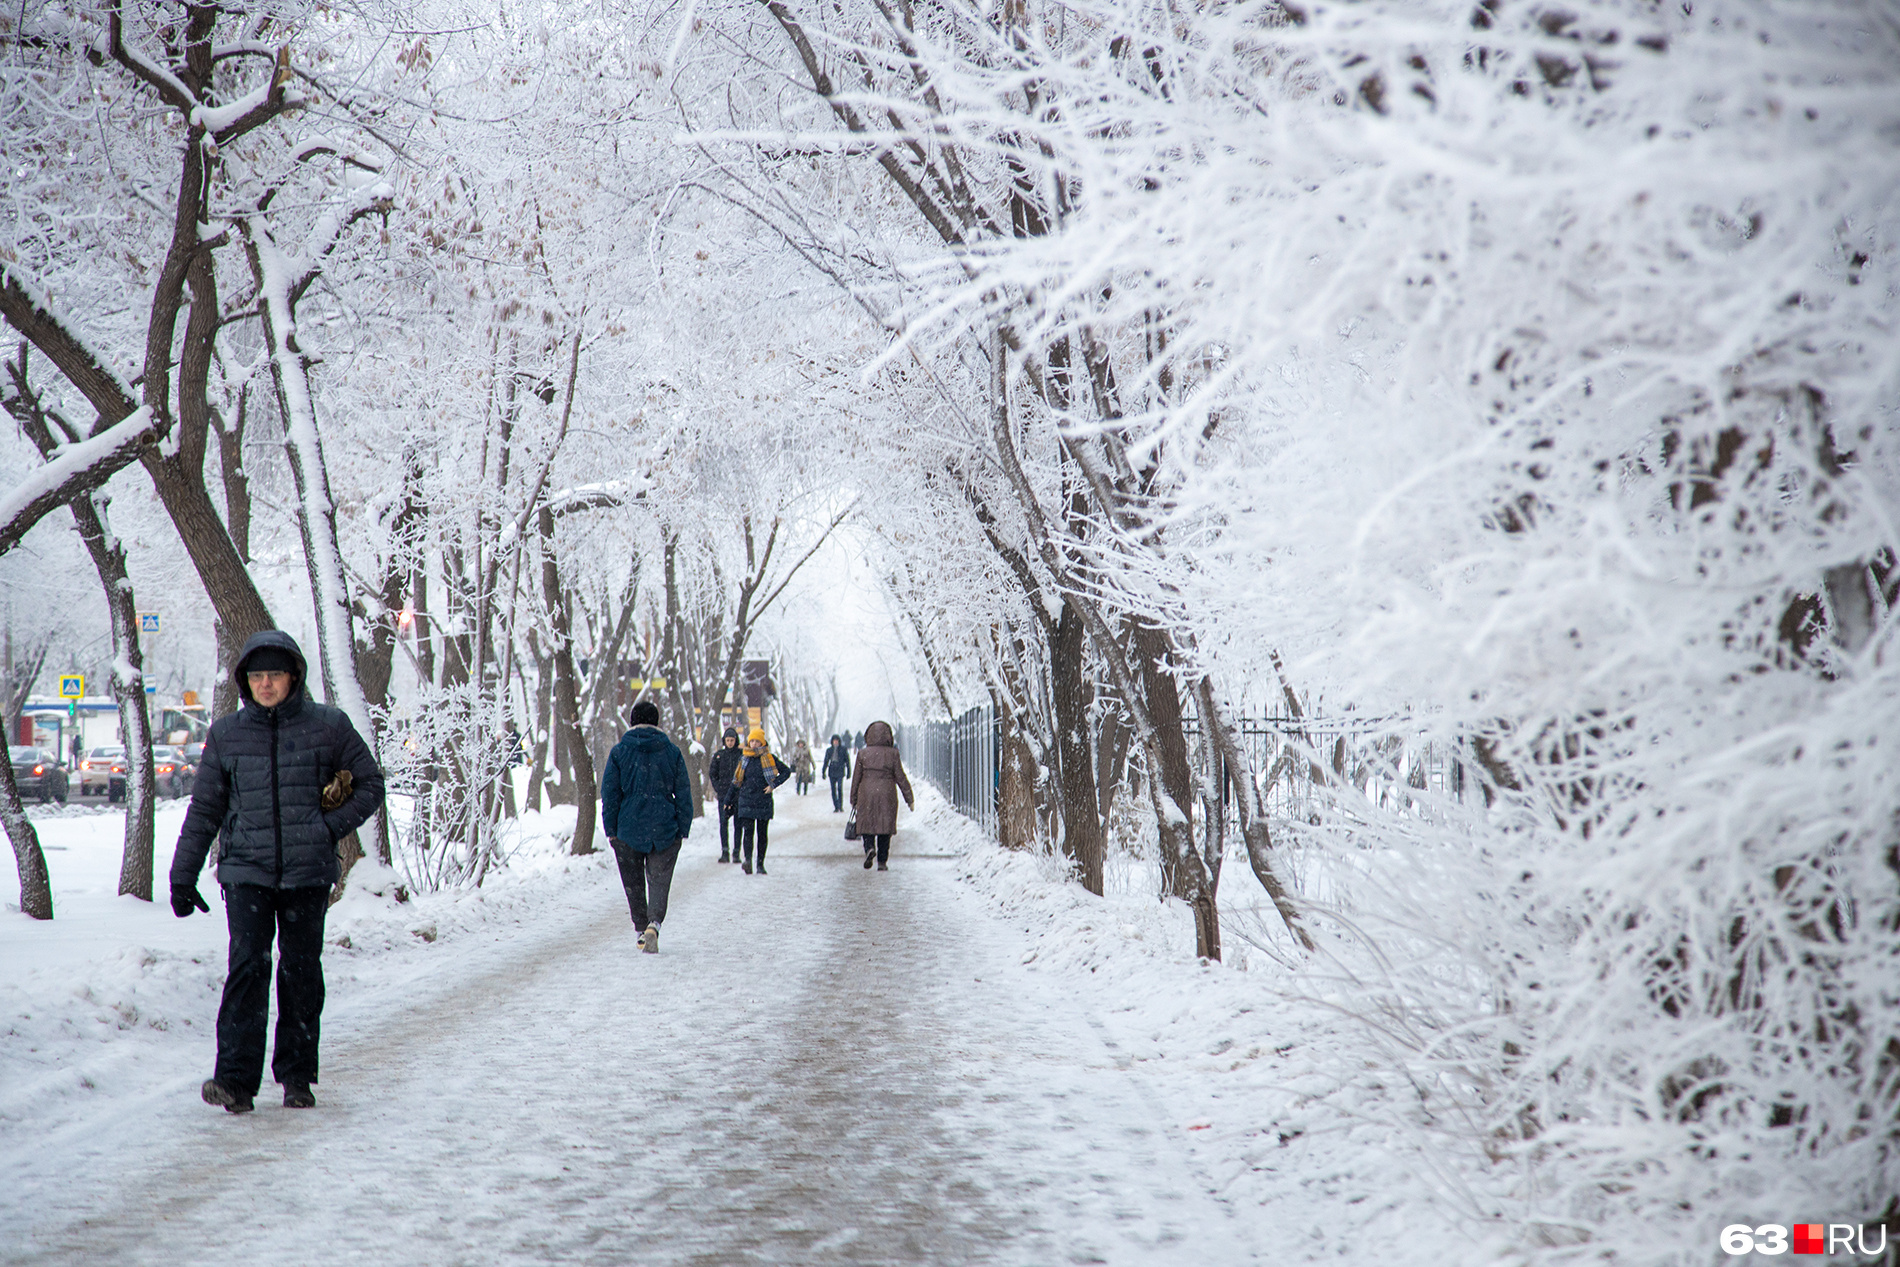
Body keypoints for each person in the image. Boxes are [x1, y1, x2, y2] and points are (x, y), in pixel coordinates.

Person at [168, 630, 386, 1114]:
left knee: (300, 972)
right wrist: (183, 874)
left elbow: (371, 783)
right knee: (248, 968)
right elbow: (205, 808)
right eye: (257, 676)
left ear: (294, 677)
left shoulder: (328, 726)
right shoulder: (227, 734)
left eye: (275, 675)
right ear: (246, 681)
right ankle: (235, 1082)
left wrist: (327, 827)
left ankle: (296, 1076)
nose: (266, 684)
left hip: (308, 874)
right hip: (246, 872)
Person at [600, 699, 695, 954]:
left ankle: (641, 927)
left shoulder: (619, 752)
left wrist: (611, 828)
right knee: (660, 879)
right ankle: (654, 923)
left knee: (633, 881)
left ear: (632, 722)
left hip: (628, 826)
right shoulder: (671, 752)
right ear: (657, 722)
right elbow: (684, 792)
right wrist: (683, 826)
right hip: (664, 826)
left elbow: (610, 793)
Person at [849, 720, 913, 871]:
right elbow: (900, 777)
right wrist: (909, 798)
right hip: (887, 794)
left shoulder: (863, 754)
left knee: (866, 825)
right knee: (885, 827)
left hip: (866, 793)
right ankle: (882, 861)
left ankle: (869, 848)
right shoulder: (893, 754)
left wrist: (853, 798)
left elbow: (856, 778)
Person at [731, 726, 790, 874]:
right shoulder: (744, 758)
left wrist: (773, 785)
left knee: (762, 834)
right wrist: (728, 799)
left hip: (763, 801)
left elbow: (786, 771)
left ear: (762, 742)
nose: (754, 744)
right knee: (748, 832)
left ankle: (760, 864)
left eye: (757, 741)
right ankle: (748, 861)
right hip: (746, 800)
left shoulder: (769, 758)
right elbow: (736, 780)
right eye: (752, 741)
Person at [708, 726, 742, 863]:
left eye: (732, 740)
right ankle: (725, 852)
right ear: (724, 741)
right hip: (723, 795)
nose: (730, 743)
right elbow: (712, 774)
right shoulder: (718, 756)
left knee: (738, 824)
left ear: (736, 740)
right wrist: (718, 788)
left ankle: (736, 853)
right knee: (723, 823)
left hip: (738, 796)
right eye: (727, 740)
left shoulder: (741, 755)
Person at [821, 735, 851, 813]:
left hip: (840, 771)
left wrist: (848, 772)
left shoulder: (843, 749)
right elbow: (826, 761)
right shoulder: (829, 750)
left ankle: (840, 806)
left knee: (840, 789)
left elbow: (847, 761)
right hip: (832, 771)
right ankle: (836, 806)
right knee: (833, 790)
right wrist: (823, 771)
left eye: (837, 740)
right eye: (834, 741)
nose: (835, 742)